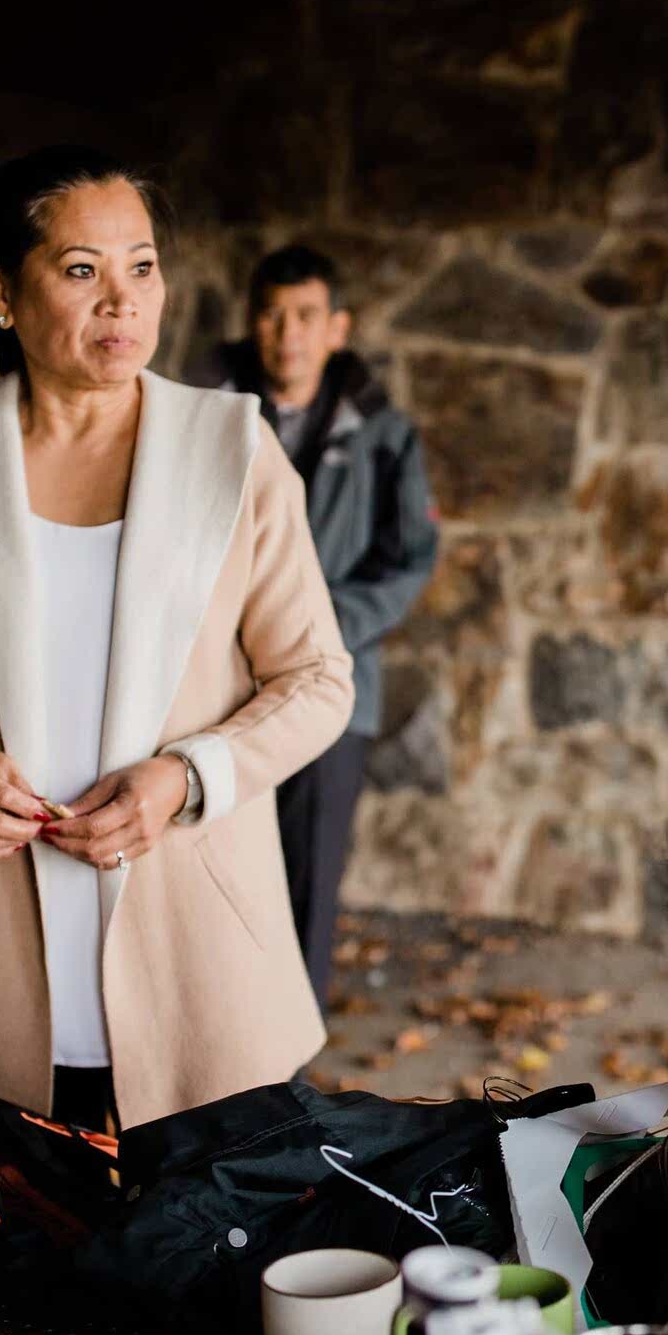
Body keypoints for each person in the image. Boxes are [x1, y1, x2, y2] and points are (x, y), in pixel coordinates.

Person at [0, 146, 354, 1131]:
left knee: (200, 1270)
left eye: (141, 266)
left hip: (202, 969)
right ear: (0, 290)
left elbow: (318, 678)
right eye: (81, 270)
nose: (123, 300)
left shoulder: (232, 450)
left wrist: (188, 777)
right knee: (8, 1275)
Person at [187, 245, 438, 1002]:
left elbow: (408, 562)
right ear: (251, 323)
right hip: (214, 687)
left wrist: (310, 631)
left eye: (304, 316)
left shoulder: (385, 436)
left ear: (337, 329)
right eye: (270, 314)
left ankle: (287, 1075)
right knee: (205, 872)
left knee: (307, 879)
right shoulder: (201, 419)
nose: (285, 333)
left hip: (336, 690)